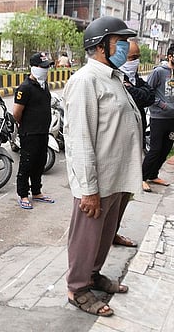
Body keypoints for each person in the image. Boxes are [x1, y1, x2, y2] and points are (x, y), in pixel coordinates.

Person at [63, 16, 142, 317]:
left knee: (106, 234)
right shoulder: (86, 80)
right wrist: (88, 190)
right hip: (97, 182)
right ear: (100, 46)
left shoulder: (113, 77)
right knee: (86, 237)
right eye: (120, 41)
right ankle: (77, 287)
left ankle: (93, 275)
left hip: (117, 178)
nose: (126, 46)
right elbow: (80, 139)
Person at [113, 39, 156, 247]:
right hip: (117, 145)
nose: (135, 62)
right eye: (132, 58)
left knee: (126, 194)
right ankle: (105, 237)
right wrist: (133, 90)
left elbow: (149, 97)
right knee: (113, 196)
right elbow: (139, 96)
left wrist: (133, 88)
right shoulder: (113, 79)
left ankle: (114, 233)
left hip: (134, 143)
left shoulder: (134, 79)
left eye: (137, 58)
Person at [13, 52, 55, 210]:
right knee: (27, 165)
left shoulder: (43, 86)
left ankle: (37, 192)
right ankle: (23, 194)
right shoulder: (25, 88)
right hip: (29, 133)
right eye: (42, 67)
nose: (45, 70)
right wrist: (24, 126)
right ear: (33, 68)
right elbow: (16, 113)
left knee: (40, 163)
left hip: (43, 131)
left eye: (47, 67)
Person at [141, 45, 174, 192]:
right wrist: (163, 106)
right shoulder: (159, 72)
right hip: (158, 118)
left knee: (166, 149)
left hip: (172, 120)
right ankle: (142, 178)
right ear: (170, 56)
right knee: (155, 149)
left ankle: (153, 175)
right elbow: (148, 93)